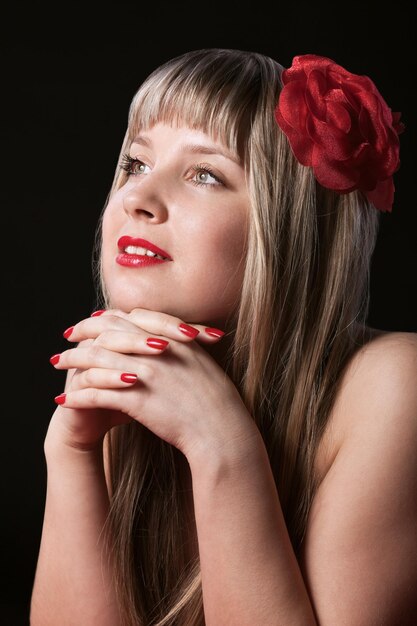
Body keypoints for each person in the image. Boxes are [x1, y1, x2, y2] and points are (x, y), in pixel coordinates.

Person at [30, 48, 417, 625]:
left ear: (289, 229)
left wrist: (222, 448)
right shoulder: (132, 386)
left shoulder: (395, 385)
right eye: (136, 164)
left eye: (204, 174)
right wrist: (70, 454)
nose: (137, 198)